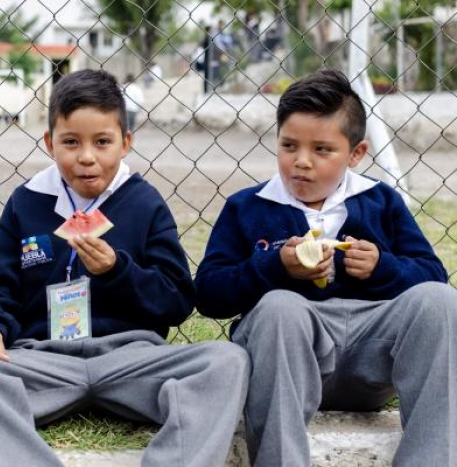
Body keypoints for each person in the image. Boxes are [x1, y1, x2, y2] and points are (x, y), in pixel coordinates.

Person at [0, 69, 250, 467]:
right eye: (71, 142)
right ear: (50, 143)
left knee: (226, 361)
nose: (87, 157)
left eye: (102, 142)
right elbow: (0, 286)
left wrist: (119, 272)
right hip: (43, 361)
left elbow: (176, 300)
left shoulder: (145, 203)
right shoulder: (26, 202)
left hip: (131, 359)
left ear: (125, 143)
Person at [195, 69, 457, 466]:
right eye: (289, 146)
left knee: (439, 301)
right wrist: (274, 268)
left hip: (372, 360)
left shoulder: (380, 200)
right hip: (289, 361)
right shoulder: (247, 207)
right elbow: (209, 293)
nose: (301, 162)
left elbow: (432, 274)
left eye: (322, 150)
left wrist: (383, 268)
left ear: (356, 154)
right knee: (280, 306)